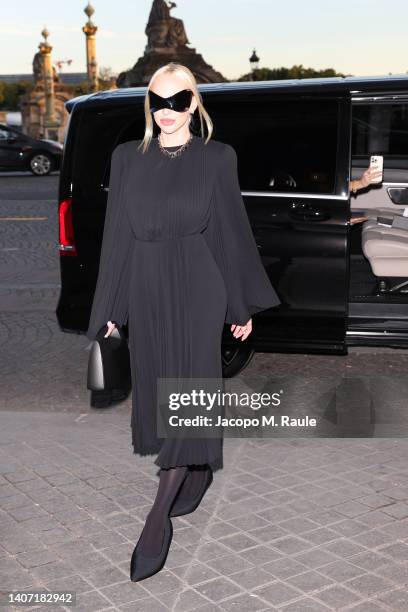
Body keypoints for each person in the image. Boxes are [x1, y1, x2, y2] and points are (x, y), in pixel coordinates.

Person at [85, 62, 281, 581]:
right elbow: (116, 242)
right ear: (147, 105)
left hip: (199, 286)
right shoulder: (127, 158)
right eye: (157, 101)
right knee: (158, 393)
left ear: (194, 104)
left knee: (188, 394)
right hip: (147, 286)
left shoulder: (217, 158)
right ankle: (194, 474)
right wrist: (110, 312)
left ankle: (156, 522)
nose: (167, 112)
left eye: (177, 101)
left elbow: (229, 233)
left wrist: (239, 307)